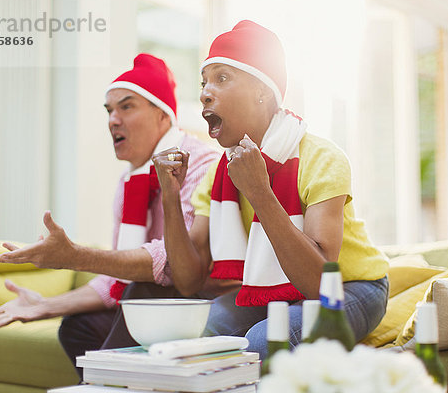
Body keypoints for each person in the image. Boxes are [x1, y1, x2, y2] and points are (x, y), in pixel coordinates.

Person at [0, 54, 234, 377]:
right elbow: (117, 275)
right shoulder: (129, 183)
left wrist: (75, 257)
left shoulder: (200, 163)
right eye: (109, 110)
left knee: (144, 292)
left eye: (126, 107)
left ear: (163, 115)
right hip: (156, 296)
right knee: (79, 327)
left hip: (198, 297)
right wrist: (45, 304)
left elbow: (170, 264)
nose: (113, 119)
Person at [153, 20, 390, 359]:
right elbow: (189, 282)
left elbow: (318, 284)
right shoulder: (219, 175)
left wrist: (261, 193)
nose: (205, 92)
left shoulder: (322, 158)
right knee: (199, 332)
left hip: (351, 287)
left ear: (262, 92)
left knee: (265, 341)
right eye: (204, 82)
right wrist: (171, 198)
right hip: (279, 293)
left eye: (221, 78)